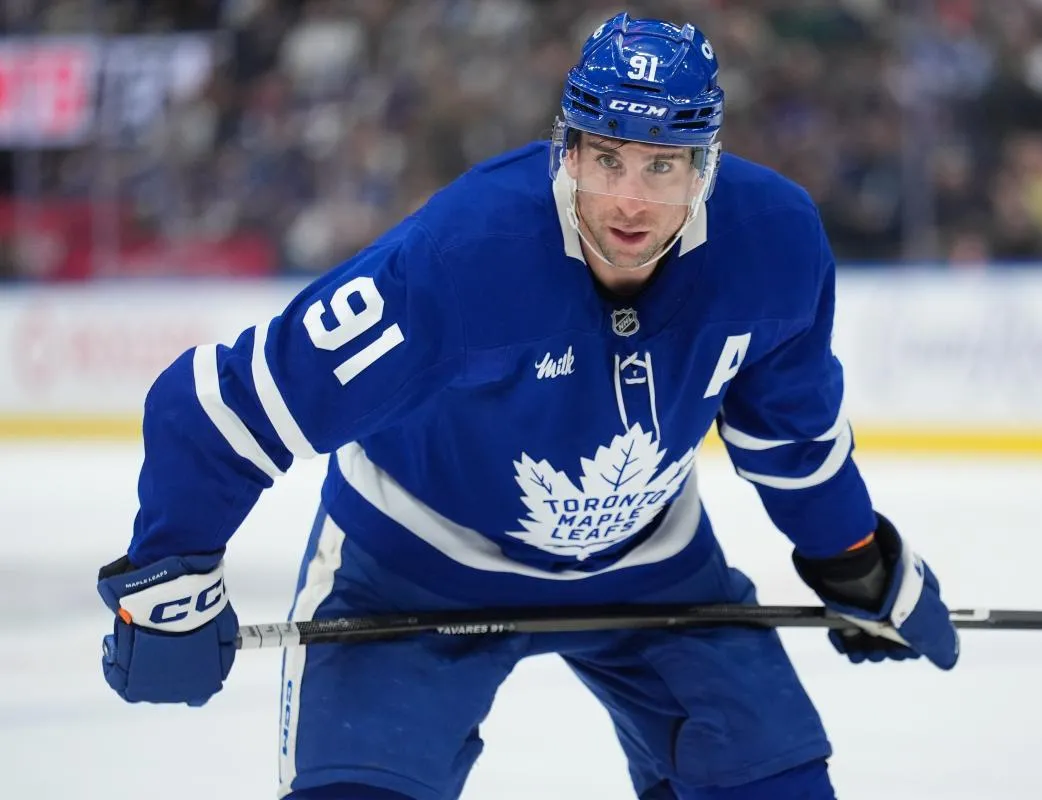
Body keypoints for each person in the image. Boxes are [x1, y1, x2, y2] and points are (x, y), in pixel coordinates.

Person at [96, 13, 959, 800]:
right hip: (412, 574)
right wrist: (169, 580)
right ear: (567, 153)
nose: (631, 200)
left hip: (649, 568)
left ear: (705, 168)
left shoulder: (774, 239)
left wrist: (852, 556)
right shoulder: (462, 257)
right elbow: (219, 411)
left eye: (662, 165)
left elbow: (789, 436)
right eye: (609, 158)